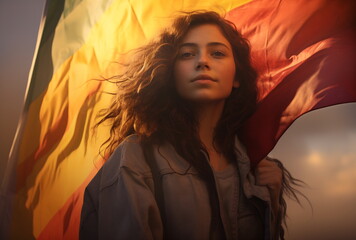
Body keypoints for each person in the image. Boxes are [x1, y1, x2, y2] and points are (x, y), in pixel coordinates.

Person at [80, 11, 302, 240]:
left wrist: (272, 202)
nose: (203, 61)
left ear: (236, 77)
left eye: (217, 53)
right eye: (186, 54)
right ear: (171, 72)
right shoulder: (135, 158)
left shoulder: (254, 167)